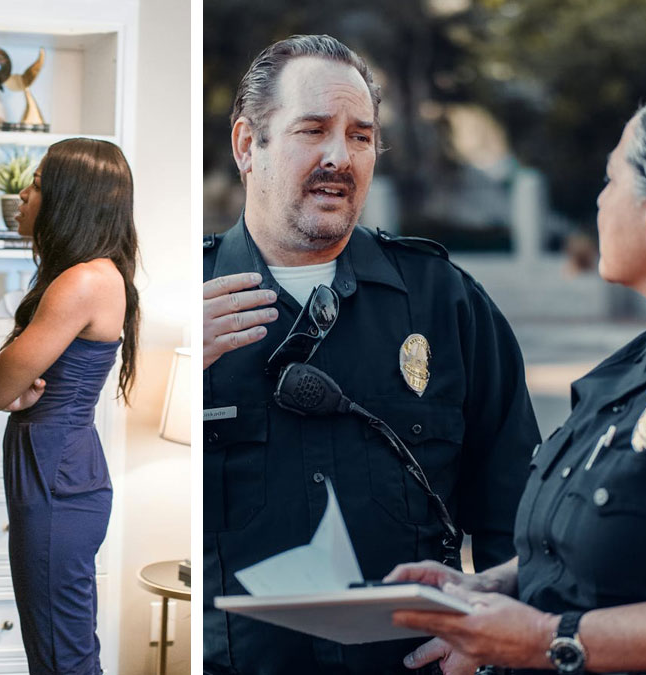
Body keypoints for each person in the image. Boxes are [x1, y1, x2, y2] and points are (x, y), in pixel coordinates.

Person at [387, 86, 646, 675]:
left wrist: (545, 639)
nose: (600, 203)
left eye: (611, 180)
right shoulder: (637, 365)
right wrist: (490, 588)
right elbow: (607, 546)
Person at [203, 34, 541, 673]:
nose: (340, 156)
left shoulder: (445, 302)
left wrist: (493, 633)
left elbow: (519, 510)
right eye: (313, 130)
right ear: (248, 145)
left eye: (360, 136)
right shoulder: (180, 304)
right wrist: (168, 364)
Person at [0, 138, 140, 675]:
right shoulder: (90, 275)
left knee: (61, 658)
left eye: (37, 185)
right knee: (61, 651)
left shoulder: (82, 281)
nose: (23, 196)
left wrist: (11, 386)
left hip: (56, 481)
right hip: (60, 475)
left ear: (70, 200)